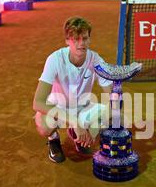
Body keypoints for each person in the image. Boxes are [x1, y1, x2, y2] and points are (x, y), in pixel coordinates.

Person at [33, 17, 113, 163]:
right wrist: (75, 122)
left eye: (85, 38)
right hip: (58, 107)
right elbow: (38, 102)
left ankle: (80, 137)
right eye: (76, 39)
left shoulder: (96, 60)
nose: (81, 43)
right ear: (67, 40)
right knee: (45, 127)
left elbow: (112, 96)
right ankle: (53, 139)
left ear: (89, 39)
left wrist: (93, 131)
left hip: (82, 108)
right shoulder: (55, 59)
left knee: (109, 113)